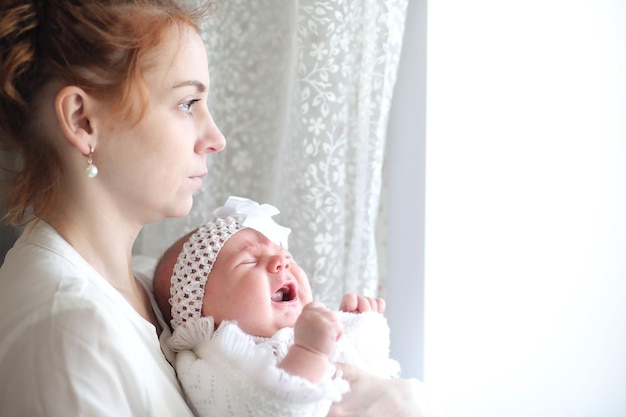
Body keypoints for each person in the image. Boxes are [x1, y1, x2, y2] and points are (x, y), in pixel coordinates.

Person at [0, 1, 434, 416]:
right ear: (82, 120)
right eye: (188, 103)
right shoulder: (66, 333)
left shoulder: (150, 284)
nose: (215, 137)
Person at [153, 196, 402, 417]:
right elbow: (268, 408)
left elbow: (379, 379)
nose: (282, 260)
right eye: (249, 261)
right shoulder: (213, 361)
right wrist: (309, 352)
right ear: (200, 314)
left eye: (286, 255)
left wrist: (362, 327)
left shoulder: (308, 329)